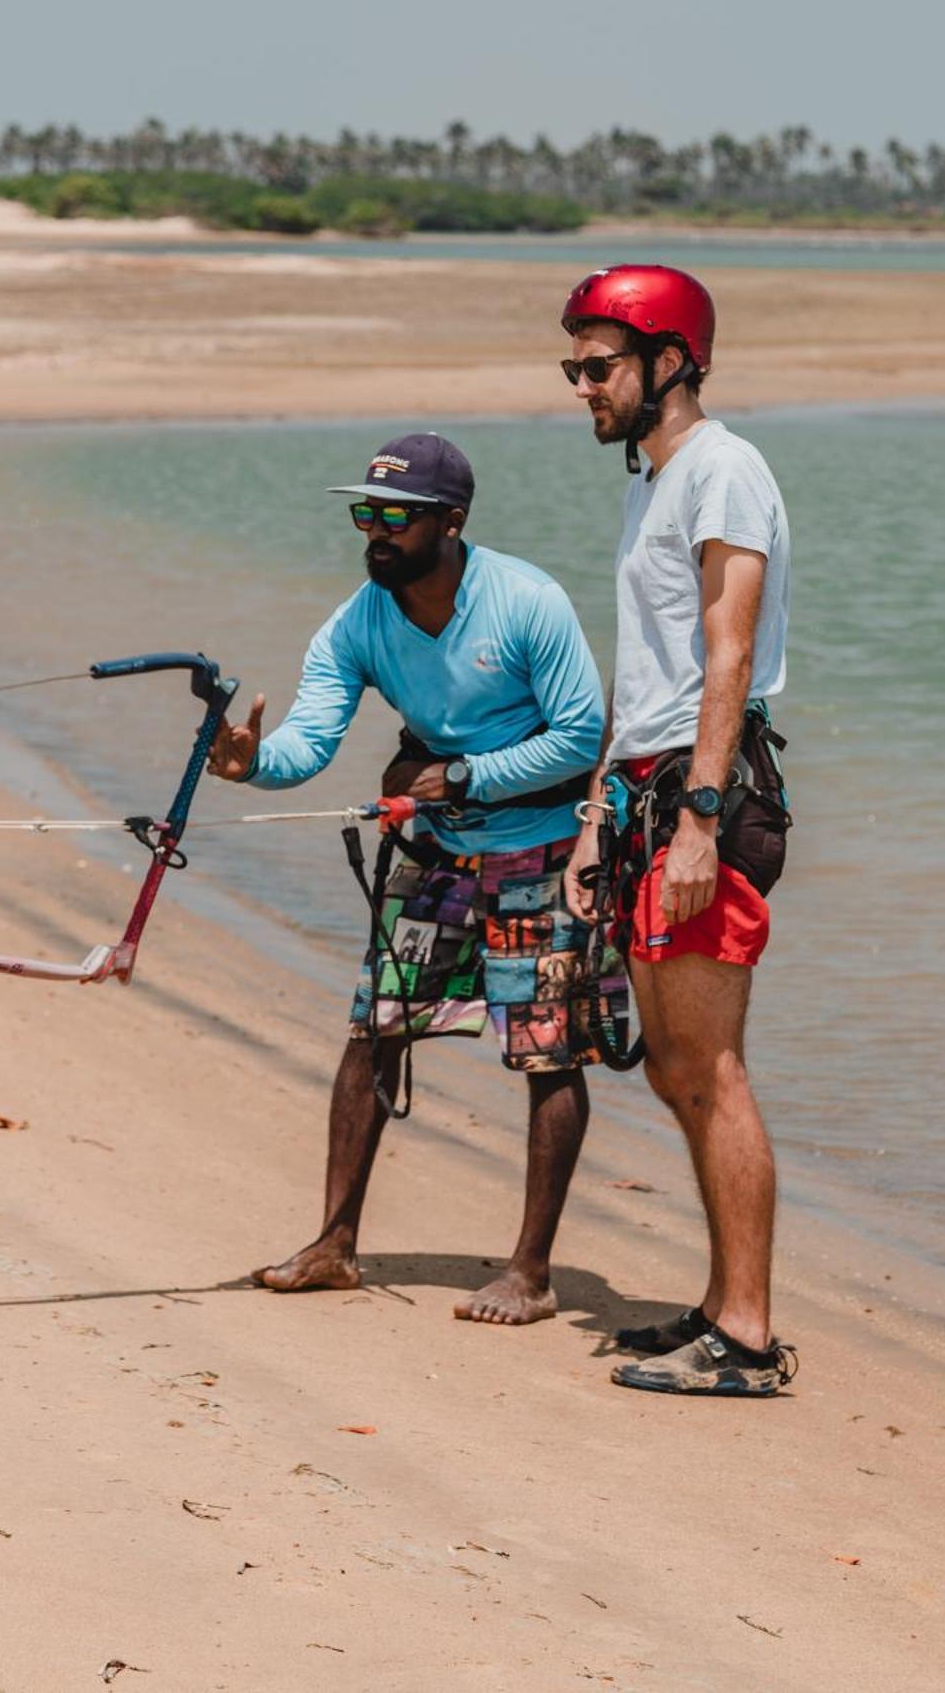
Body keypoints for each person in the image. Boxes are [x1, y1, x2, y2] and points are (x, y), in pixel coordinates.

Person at [208, 431, 627, 1326]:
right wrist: (252, 764)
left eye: (397, 516)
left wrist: (466, 776)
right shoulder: (358, 620)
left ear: (451, 521)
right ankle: (332, 1245)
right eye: (367, 513)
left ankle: (531, 1272)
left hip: (543, 852)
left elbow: (582, 737)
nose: (377, 532)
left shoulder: (525, 601)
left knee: (546, 1053)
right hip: (435, 851)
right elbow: (309, 741)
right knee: (373, 1030)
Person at [561, 267, 798, 1397]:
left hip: (703, 799)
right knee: (670, 1068)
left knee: (712, 1063)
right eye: (574, 367)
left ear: (669, 360)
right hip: (646, 794)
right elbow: (644, 675)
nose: (581, 386)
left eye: (598, 365)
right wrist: (595, 814)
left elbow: (728, 654)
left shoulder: (722, 470)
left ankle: (747, 1335)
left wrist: (700, 816)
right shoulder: (649, 485)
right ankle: (718, 1304)